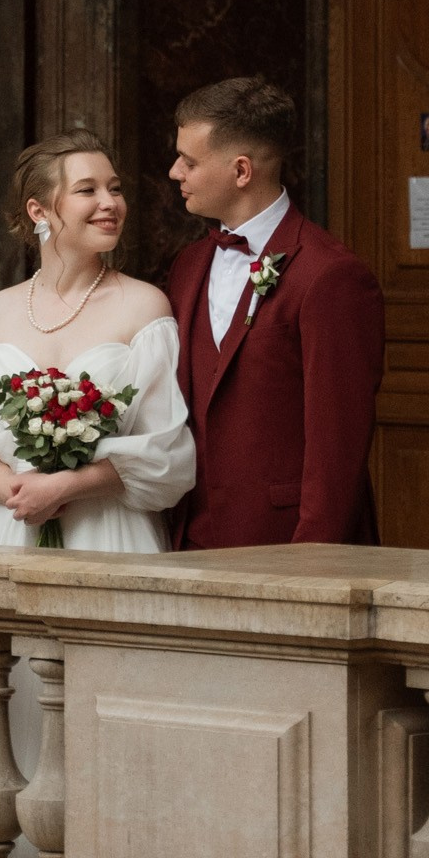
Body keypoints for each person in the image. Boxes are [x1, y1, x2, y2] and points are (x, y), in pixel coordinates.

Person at [0, 131, 195, 551]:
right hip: (14, 528)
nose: (110, 202)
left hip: (110, 532)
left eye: (115, 189)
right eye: (87, 190)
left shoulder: (145, 309)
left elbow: (166, 451)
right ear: (38, 210)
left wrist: (64, 487)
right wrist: (15, 488)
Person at [165, 77, 384, 548]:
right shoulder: (187, 267)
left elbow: (337, 444)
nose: (174, 172)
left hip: (284, 545)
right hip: (186, 542)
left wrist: (311, 561)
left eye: (189, 161)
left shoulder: (330, 276)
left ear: (241, 171)